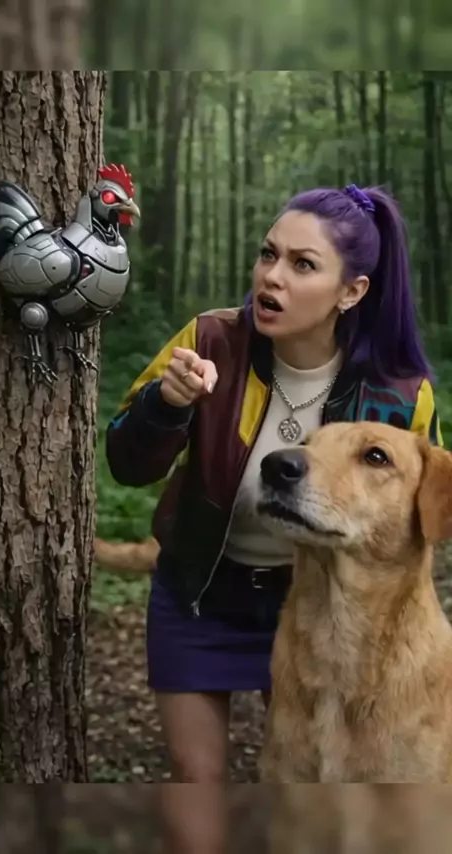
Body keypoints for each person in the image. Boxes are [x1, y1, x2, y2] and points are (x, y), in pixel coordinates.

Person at [106, 184, 442, 853]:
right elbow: (125, 462)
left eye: (302, 264)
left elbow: (416, 521)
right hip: (200, 593)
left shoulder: (402, 395)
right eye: (268, 255)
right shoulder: (208, 340)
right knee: (197, 780)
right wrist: (167, 408)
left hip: (309, 611)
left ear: (351, 291)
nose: (272, 277)